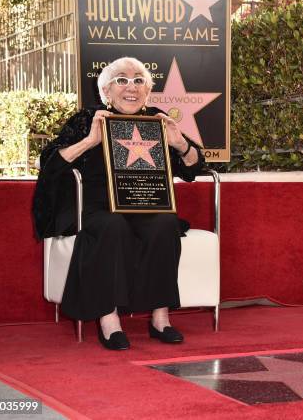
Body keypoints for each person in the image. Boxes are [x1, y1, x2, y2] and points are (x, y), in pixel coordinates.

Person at [32, 57, 204, 350]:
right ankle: (108, 319)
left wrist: (180, 145)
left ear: (148, 91)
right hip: (95, 205)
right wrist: (89, 141)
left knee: (164, 223)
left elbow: (192, 167)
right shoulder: (88, 119)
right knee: (111, 225)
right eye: (121, 80)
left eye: (139, 80)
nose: (131, 87)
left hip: (144, 203)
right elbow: (49, 164)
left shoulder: (156, 119)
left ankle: (160, 317)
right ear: (106, 91)